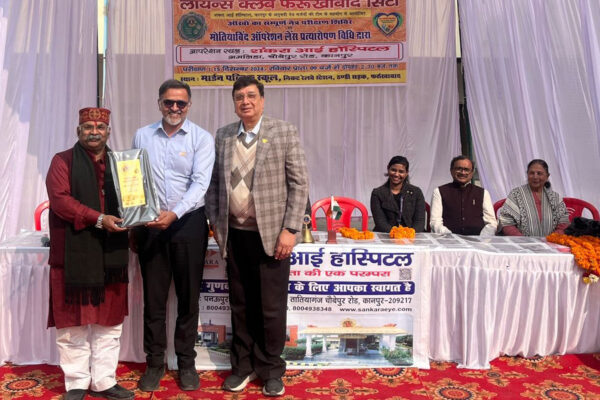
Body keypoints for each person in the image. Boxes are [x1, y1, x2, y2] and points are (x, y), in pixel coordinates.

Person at [206, 76, 309, 397]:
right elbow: (213, 185)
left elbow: (299, 184)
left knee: (271, 308)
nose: (245, 101)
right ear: (234, 103)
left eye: (251, 96)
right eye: (239, 97)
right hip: (235, 237)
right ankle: (242, 366)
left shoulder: (283, 132)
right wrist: (215, 223)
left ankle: (270, 370)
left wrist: (290, 229)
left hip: (273, 238)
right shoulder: (223, 135)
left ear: (262, 100)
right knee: (240, 305)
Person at [132, 79, 215, 392]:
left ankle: (186, 362)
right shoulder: (142, 135)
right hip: (151, 225)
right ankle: (154, 363)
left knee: (188, 299)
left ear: (189, 105)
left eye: (181, 103)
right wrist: (138, 216)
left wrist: (175, 213)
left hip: (188, 224)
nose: (175, 108)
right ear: (159, 103)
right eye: (169, 102)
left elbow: (200, 184)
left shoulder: (201, 138)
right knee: (153, 301)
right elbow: (134, 178)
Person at [46, 107, 134, 400]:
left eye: (99, 127)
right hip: (73, 257)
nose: (94, 131)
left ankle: (104, 381)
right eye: (88, 127)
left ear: (108, 131)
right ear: (78, 131)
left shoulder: (121, 164)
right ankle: (76, 382)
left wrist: (140, 214)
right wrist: (98, 218)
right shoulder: (62, 161)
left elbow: (133, 199)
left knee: (109, 323)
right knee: (73, 324)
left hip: (111, 255)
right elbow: (60, 201)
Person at [498, 159, 570, 236]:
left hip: (551, 241)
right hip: (521, 242)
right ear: (527, 174)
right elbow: (506, 222)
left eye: (539, 173)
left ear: (547, 176)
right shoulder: (516, 194)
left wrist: (551, 239)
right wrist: (522, 240)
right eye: (532, 173)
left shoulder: (555, 198)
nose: (535, 177)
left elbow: (564, 224)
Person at [430, 155, 497, 235]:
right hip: (448, 239)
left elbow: (491, 223)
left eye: (466, 170)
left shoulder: (483, 193)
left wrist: (482, 238)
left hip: (478, 239)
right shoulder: (439, 192)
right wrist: (449, 236)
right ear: (451, 171)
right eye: (459, 169)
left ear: (472, 173)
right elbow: (435, 221)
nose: (462, 172)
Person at [370, 156, 426, 232]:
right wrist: (397, 234)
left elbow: (419, 222)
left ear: (406, 173)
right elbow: (380, 223)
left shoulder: (416, 192)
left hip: (412, 235)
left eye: (401, 172)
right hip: (387, 234)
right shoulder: (377, 193)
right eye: (393, 170)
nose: (396, 174)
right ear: (388, 168)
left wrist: (409, 234)